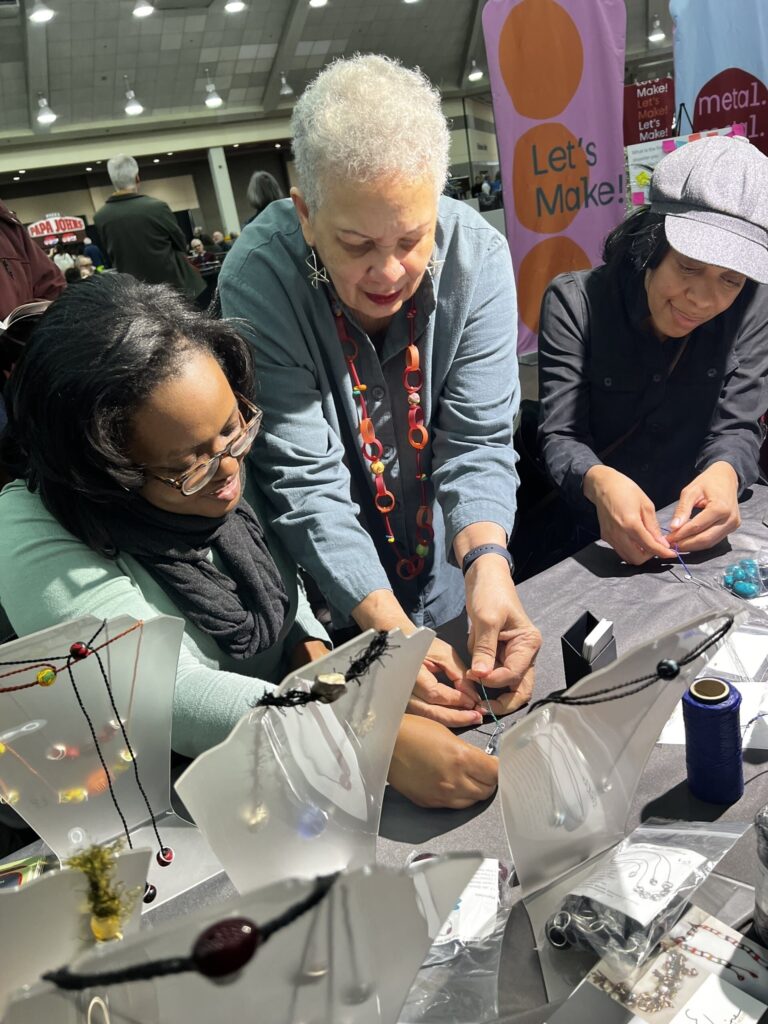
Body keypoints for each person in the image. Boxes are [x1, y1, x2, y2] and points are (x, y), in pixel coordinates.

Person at [0, 273, 498, 809]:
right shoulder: (31, 528)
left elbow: (284, 595)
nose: (231, 471)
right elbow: (155, 694)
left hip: (285, 749)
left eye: (235, 429)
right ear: (106, 474)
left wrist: (330, 678)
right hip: (151, 798)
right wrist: (359, 730)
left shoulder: (219, 456)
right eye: (186, 467)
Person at [220, 55, 541, 731]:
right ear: (306, 214)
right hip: (335, 608)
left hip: (447, 573)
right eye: (358, 242)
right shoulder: (258, 279)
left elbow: (477, 440)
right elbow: (306, 483)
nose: (389, 270)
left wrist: (489, 564)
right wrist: (390, 639)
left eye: (412, 237)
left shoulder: (476, 257)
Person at [534, 135, 768, 570]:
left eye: (730, 280)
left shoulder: (755, 306)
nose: (702, 298)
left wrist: (726, 472)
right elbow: (561, 435)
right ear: (650, 242)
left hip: (693, 530)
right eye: (688, 267)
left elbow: (738, 424)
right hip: (590, 538)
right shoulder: (575, 303)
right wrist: (597, 480)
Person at [93, 154, 204, 303]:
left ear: (113, 181)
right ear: (137, 178)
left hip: (137, 296)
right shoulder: (157, 207)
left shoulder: (101, 217)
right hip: (175, 289)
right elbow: (180, 243)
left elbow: (111, 255)